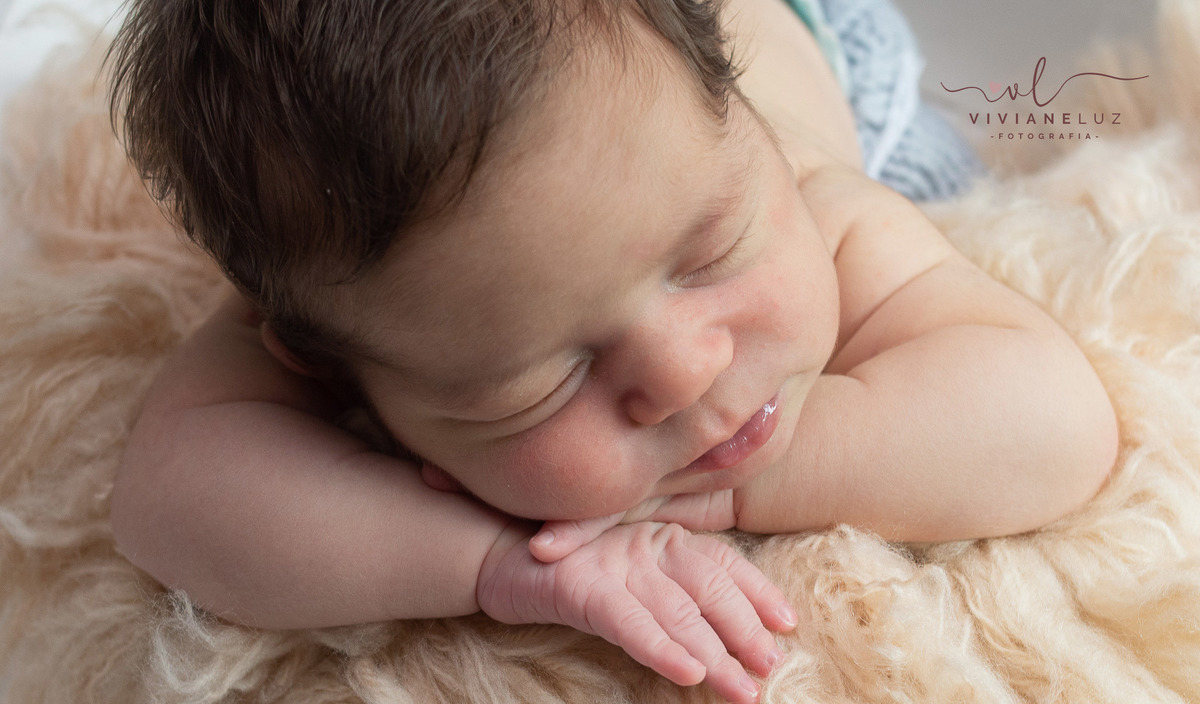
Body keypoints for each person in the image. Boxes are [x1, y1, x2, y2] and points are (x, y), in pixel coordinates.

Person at [105, 0, 1118, 702]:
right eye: (546, 379)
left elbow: (1055, 422)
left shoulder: (807, 200)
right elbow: (166, 496)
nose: (686, 370)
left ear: (744, 134)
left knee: (967, 192)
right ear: (321, 365)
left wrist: (750, 486)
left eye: (709, 253)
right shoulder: (361, 290)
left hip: (815, 45)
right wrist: (497, 563)